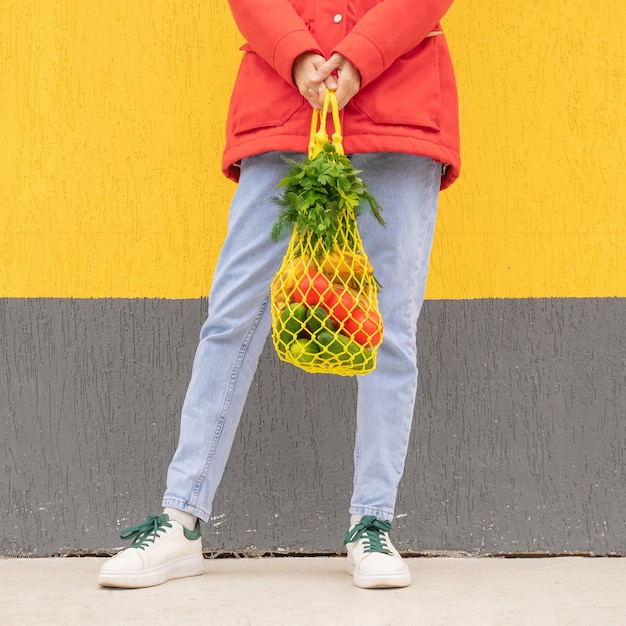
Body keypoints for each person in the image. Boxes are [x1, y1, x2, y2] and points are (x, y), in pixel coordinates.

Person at [98, 0, 460, 590]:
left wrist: (360, 57)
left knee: (388, 325)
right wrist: (298, 57)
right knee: (232, 315)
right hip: (283, 105)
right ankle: (181, 518)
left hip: (399, 106)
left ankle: (371, 522)